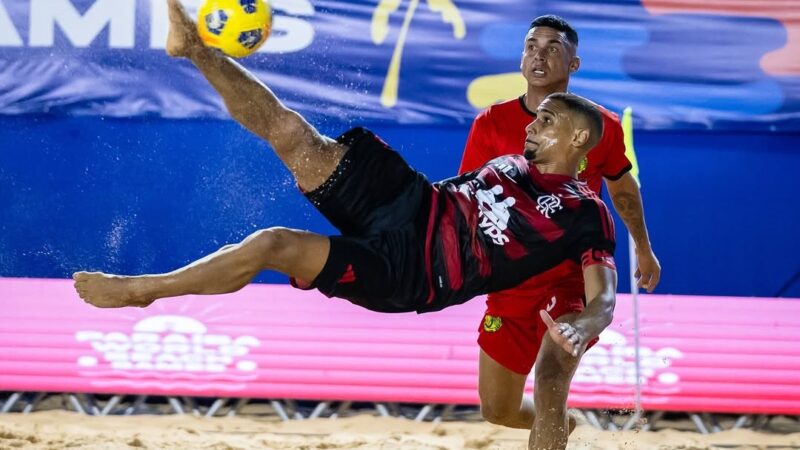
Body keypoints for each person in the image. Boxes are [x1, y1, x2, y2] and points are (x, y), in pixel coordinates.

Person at [74, 3, 618, 449]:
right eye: (536, 116)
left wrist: (585, 322)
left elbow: (605, 296)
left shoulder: (585, 212)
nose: (533, 123)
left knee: (272, 244)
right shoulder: (509, 158)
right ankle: (196, 49)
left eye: (547, 120)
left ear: (577, 141)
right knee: (293, 135)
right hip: (414, 203)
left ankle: (145, 291)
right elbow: (464, 200)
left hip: (412, 271)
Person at [460, 14, 660, 449]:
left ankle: (552, 421)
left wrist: (643, 247)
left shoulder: (598, 125)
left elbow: (622, 188)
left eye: (553, 48)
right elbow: (468, 201)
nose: (539, 56)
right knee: (497, 408)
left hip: (572, 279)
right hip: (511, 281)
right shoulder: (491, 122)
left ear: (574, 63)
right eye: (531, 46)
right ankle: (560, 426)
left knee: (551, 380)